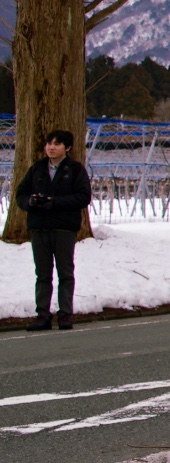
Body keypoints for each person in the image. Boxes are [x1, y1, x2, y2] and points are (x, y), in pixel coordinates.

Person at [16, 129, 93, 331]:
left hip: (63, 228)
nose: (51, 147)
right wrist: (31, 202)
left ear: (67, 148)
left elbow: (83, 196)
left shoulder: (75, 170)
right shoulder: (37, 169)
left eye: (57, 144)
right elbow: (20, 194)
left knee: (65, 272)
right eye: (49, 143)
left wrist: (55, 203)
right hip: (39, 227)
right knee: (42, 273)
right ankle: (42, 314)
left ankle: (65, 315)